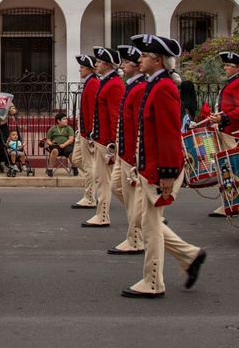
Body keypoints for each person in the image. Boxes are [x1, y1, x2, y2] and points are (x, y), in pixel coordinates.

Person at [122, 34, 206, 298]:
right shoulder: (154, 84)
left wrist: (168, 174)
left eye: (145, 56)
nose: (140, 60)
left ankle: (154, 281)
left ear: (157, 60)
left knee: (149, 225)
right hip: (151, 166)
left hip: (161, 169)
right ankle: (189, 255)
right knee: (143, 221)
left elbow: (169, 134)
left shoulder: (163, 87)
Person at [207, 51, 239, 217]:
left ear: (237, 67)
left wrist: (223, 118)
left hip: (236, 133)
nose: (225, 68)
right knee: (230, 168)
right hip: (229, 130)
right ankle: (232, 201)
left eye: (228, 65)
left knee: (235, 169)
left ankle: (236, 201)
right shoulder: (237, 81)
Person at [107, 44, 146, 255]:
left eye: (125, 62)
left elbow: (139, 125)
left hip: (131, 152)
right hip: (124, 149)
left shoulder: (139, 87)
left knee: (132, 196)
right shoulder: (131, 85)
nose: (121, 65)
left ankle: (136, 238)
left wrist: (134, 155)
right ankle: (144, 220)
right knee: (117, 188)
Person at [84, 47, 124, 228]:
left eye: (99, 62)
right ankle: (102, 214)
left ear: (108, 64)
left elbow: (116, 116)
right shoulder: (107, 82)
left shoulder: (114, 84)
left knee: (109, 182)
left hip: (107, 141)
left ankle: (104, 214)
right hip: (102, 138)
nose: (96, 64)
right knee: (102, 180)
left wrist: (113, 142)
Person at [72, 54, 99, 209]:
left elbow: (92, 110)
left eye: (82, 67)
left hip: (87, 130)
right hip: (82, 129)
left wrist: (90, 131)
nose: (79, 69)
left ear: (89, 69)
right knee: (76, 159)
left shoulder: (93, 83)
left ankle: (89, 197)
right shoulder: (89, 82)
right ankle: (97, 179)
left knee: (89, 165)